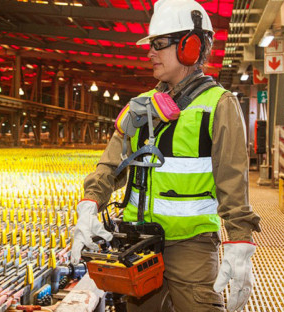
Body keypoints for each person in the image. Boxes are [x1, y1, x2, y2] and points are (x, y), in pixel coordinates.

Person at [70, 0, 261, 311]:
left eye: (159, 44)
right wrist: (89, 204)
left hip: (192, 247)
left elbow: (232, 183)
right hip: (138, 244)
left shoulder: (218, 105)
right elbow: (111, 164)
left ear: (190, 47)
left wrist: (239, 243)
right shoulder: (141, 105)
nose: (150, 53)